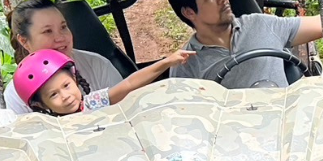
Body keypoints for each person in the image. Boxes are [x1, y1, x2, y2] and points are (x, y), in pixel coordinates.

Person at [166, 0, 323, 89]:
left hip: (290, 132)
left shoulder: (261, 24)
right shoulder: (185, 65)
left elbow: (321, 24)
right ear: (189, 12)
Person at [4, 0, 125, 114]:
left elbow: (125, 107)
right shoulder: (15, 95)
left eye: (63, 27)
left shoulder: (97, 64)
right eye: (47, 31)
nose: (61, 38)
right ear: (24, 41)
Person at [13, 49, 195, 116]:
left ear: (75, 79)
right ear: (40, 104)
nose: (65, 96)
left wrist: (166, 62)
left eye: (66, 86)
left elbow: (129, 84)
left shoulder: (92, 103)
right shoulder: (45, 127)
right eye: (53, 94)